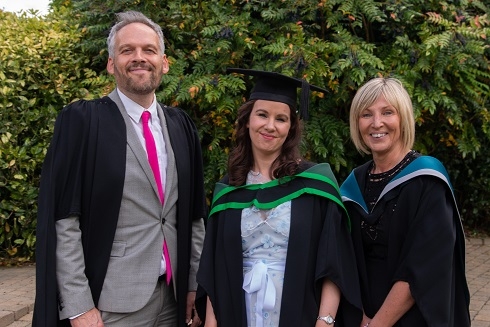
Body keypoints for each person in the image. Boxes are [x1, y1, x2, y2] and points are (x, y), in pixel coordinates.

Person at [32, 11, 206, 327]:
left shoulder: (180, 127)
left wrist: (195, 284)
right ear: (112, 64)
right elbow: (64, 220)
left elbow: (193, 216)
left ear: (164, 62)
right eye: (127, 50)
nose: (139, 58)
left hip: (174, 298)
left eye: (149, 50)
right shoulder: (84, 122)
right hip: (112, 305)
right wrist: (78, 306)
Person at [196, 68, 362, 327]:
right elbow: (215, 269)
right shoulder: (229, 189)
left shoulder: (315, 184)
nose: (270, 126)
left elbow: (333, 261)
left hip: (302, 315)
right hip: (237, 313)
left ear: (291, 127)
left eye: (281, 118)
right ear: (248, 120)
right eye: (262, 115)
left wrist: (325, 321)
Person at [340, 77, 471, 327]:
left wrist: (378, 324)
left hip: (411, 317)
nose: (376, 123)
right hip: (360, 315)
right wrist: (358, 314)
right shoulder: (354, 183)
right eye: (366, 114)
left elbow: (423, 266)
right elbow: (342, 258)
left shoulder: (427, 180)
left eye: (387, 112)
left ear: (403, 119)